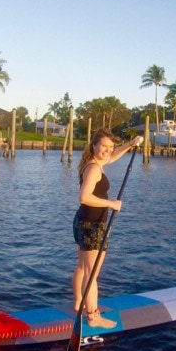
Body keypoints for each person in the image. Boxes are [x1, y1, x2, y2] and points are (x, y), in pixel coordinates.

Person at [72, 130, 143, 329]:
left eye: (110, 147)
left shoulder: (92, 163)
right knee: (91, 273)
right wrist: (111, 204)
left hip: (83, 221)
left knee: (82, 267)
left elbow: (111, 158)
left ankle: (79, 303)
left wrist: (130, 145)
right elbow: (84, 197)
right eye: (103, 146)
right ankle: (93, 317)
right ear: (94, 145)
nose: (108, 151)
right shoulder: (94, 169)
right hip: (92, 226)